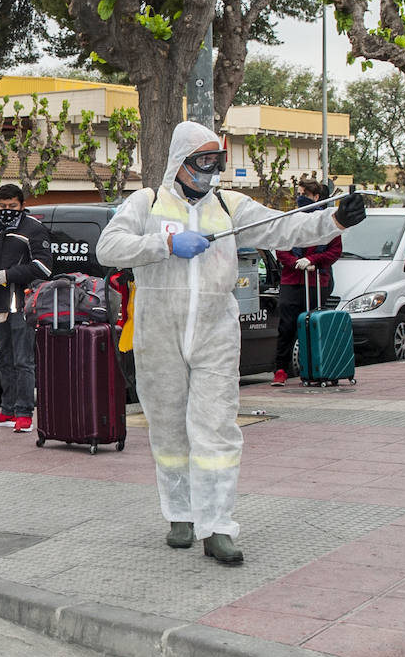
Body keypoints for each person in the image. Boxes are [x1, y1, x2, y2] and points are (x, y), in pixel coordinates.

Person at [96, 121, 364, 566]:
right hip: (158, 329)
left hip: (215, 329)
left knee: (217, 428)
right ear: (180, 162)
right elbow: (109, 248)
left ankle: (218, 525)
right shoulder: (146, 203)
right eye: (203, 161)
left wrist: (334, 220)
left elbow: (285, 230)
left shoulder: (230, 205)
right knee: (166, 426)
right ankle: (179, 514)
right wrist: (164, 243)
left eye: (217, 161)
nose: (211, 170)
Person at [0, 184, 53, 433]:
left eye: (12, 206)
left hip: (22, 305)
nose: (7, 211)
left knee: (23, 361)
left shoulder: (33, 229)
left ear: (21, 205)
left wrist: (8, 275)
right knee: (4, 359)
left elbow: (44, 267)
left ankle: (24, 413)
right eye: (2, 206)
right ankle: (7, 410)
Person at [271, 180, 343, 386]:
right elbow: (281, 245)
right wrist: (295, 263)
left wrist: (313, 261)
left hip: (316, 282)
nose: (300, 197)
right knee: (286, 326)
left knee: (314, 326)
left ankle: (315, 367)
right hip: (291, 280)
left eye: (305, 194)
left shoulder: (328, 222)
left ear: (316, 197)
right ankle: (281, 369)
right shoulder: (290, 219)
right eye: (299, 193)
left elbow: (334, 251)